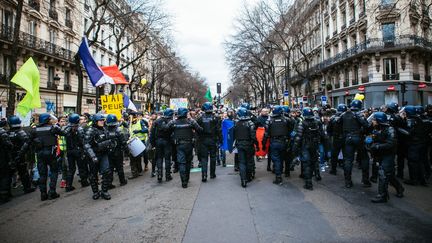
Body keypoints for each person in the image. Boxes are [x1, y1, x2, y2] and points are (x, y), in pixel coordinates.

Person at [366, 112, 404, 203]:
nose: (373, 121)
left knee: (383, 173)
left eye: (374, 120)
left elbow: (391, 144)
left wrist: (378, 146)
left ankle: (382, 196)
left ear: (379, 121)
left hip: (388, 155)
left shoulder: (390, 130)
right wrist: (369, 142)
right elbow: (372, 138)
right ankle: (400, 188)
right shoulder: (376, 128)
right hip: (379, 155)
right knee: (389, 174)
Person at [31, 113, 66, 201]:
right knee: (54, 172)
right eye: (50, 119)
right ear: (47, 120)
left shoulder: (35, 130)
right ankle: (52, 192)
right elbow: (63, 133)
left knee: (42, 174)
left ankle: (43, 194)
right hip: (50, 154)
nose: (51, 120)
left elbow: (28, 142)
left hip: (40, 155)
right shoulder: (53, 128)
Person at [165, 108, 203, 188]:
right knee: (188, 162)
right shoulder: (191, 121)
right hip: (189, 145)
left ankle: (184, 181)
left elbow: (166, 129)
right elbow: (199, 129)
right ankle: (186, 178)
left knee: (181, 162)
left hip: (179, 145)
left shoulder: (174, 122)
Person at [338, 100, 371, 188]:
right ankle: (365, 180)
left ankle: (348, 181)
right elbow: (366, 125)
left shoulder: (344, 114)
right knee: (365, 158)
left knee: (348, 160)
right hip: (358, 138)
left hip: (347, 138)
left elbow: (337, 123)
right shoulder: (358, 114)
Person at [83, 114, 115, 200]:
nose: (102, 121)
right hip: (94, 155)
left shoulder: (105, 129)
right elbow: (86, 144)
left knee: (107, 172)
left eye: (103, 120)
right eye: (100, 120)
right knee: (93, 175)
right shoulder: (91, 130)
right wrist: (93, 156)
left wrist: (111, 145)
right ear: (95, 121)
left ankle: (104, 191)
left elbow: (110, 140)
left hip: (104, 154)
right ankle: (96, 192)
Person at [292, 107, 324, 190]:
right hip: (315, 145)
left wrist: (295, 149)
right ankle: (316, 175)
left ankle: (308, 183)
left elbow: (298, 137)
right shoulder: (317, 122)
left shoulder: (302, 123)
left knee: (306, 164)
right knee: (314, 161)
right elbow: (322, 134)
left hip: (305, 146)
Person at [263, 106, 293, 185]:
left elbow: (266, 134)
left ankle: (278, 177)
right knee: (282, 158)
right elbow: (291, 131)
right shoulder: (287, 120)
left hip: (274, 142)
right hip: (284, 142)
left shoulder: (269, 121)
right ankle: (282, 172)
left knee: (276, 160)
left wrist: (263, 144)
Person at [402, 105, 429, 186]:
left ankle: (414, 180)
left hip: (414, 144)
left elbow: (409, 133)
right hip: (422, 143)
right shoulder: (420, 118)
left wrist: (398, 129)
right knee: (420, 162)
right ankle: (423, 180)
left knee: (412, 162)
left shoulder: (411, 120)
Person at [63, 114, 89, 192]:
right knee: (81, 167)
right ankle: (84, 182)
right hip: (78, 151)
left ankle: (68, 185)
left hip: (69, 151)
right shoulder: (79, 129)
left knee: (71, 169)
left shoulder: (66, 129)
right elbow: (82, 141)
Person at [196, 102, 221, 182]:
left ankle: (204, 175)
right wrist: (221, 140)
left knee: (204, 158)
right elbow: (218, 130)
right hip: (212, 140)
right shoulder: (215, 118)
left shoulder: (200, 118)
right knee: (213, 157)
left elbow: (197, 130)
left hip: (203, 140)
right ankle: (212, 174)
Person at [233, 107, 257, 188]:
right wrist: (256, 144)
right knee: (249, 161)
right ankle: (248, 177)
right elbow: (253, 136)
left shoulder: (236, 123)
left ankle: (243, 180)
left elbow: (233, 134)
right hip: (248, 145)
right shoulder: (250, 123)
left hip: (239, 144)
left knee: (242, 162)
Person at [150, 108, 174, 183]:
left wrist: (153, 144)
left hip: (158, 142)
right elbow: (173, 133)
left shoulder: (156, 121)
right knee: (167, 159)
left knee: (159, 158)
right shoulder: (171, 122)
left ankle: (159, 175)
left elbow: (152, 134)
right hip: (167, 141)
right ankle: (167, 175)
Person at [106, 114, 128, 187]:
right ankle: (122, 181)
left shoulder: (105, 130)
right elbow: (123, 142)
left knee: (110, 168)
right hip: (118, 152)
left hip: (108, 152)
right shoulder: (119, 130)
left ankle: (109, 183)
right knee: (119, 167)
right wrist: (127, 151)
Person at [128, 111, 149, 179]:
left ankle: (145, 165)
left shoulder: (140, 122)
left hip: (141, 142)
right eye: (129, 117)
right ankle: (138, 170)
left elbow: (146, 130)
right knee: (136, 157)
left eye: (131, 117)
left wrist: (139, 131)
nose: (130, 119)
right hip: (133, 142)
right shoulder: (130, 124)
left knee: (144, 155)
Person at [327, 104, 347, 175]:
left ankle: (333, 170)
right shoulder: (347, 117)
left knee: (334, 155)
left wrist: (330, 135)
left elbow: (328, 129)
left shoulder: (333, 118)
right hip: (345, 138)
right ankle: (346, 170)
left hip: (336, 138)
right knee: (346, 155)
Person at [0, 119, 14, 203]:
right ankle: (4, 195)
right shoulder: (2, 132)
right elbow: (9, 145)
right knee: (4, 176)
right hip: (2, 157)